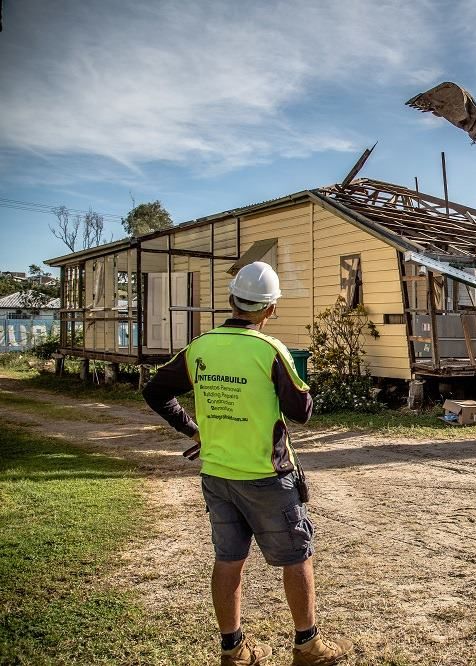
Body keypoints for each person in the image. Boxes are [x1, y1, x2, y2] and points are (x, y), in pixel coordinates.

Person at [142, 261, 353, 666]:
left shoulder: (200, 346)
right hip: (267, 477)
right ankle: (308, 646)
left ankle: (234, 650)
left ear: (231, 300)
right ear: (270, 309)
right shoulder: (270, 350)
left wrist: (194, 431)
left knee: (228, 560)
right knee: (296, 556)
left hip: (217, 475)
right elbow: (302, 412)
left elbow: (156, 392)